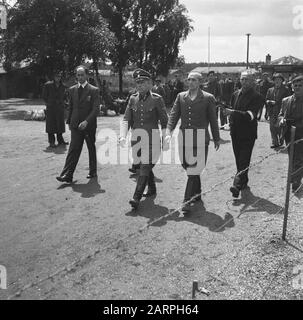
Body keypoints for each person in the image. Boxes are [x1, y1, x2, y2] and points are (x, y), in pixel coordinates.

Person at [165, 71, 220, 214]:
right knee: (186, 165)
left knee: (193, 169)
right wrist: (168, 132)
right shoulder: (180, 96)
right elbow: (173, 115)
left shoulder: (208, 98)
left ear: (200, 82)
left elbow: (213, 119)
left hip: (201, 139)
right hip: (184, 138)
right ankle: (197, 192)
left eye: (194, 80)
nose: (191, 82)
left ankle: (186, 201)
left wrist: (216, 137)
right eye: (189, 80)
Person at [119, 68, 168, 210]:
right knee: (143, 166)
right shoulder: (133, 99)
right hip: (137, 140)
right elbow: (127, 119)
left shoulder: (157, 99)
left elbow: (165, 121)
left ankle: (136, 197)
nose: (140, 85)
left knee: (145, 165)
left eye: (143, 82)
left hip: (152, 140)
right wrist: (123, 135)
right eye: (138, 82)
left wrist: (166, 137)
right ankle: (152, 188)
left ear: (150, 84)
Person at [223, 70, 264, 198]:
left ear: (253, 82)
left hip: (248, 134)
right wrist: (230, 120)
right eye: (242, 79)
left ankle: (237, 186)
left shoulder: (257, 97)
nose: (244, 82)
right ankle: (244, 181)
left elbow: (250, 116)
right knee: (238, 160)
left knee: (243, 160)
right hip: (235, 133)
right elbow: (231, 109)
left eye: (247, 79)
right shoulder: (235, 94)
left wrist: (232, 113)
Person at [56, 65, 100, 183]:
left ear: (86, 75)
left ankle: (93, 171)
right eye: (78, 75)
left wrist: (86, 121)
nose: (80, 77)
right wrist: (69, 122)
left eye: (82, 75)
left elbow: (96, 109)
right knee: (73, 149)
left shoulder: (93, 90)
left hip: (89, 125)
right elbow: (71, 107)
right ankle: (67, 175)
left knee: (91, 147)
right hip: (75, 125)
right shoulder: (72, 90)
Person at [278, 75, 303, 192]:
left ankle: (296, 180)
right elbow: (280, 115)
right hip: (288, 133)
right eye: (295, 85)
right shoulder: (285, 100)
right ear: (292, 87)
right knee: (292, 156)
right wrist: (281, 119)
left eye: (300, 86)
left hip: (301, 134)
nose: (297, 88)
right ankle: (295, 176)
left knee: (299, 157)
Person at [42, 71, 68, 148]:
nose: (58, 78)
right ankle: (51, 142)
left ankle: (61, 141)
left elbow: (65, 96)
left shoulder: (63, 86)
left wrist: (65, 103)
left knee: (60, 125)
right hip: (51, 108)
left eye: (59, 76)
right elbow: (44, 96)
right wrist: (48, 103)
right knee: (51, 125)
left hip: (60, 107)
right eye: (57, 76)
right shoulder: (48, 85)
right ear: (54, 77)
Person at [265, 73, 290, 148]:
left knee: (280, 127)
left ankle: (281, 140)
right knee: (272, 128)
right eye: (275, 80)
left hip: (281, 112)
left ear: (282, 80)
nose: (277, 81)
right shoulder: (270, 90)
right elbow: (266, 100)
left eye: (279, 79)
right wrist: (269, 102)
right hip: (272, 111)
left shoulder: (286, 89)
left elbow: (289, 100)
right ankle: (275, 142)